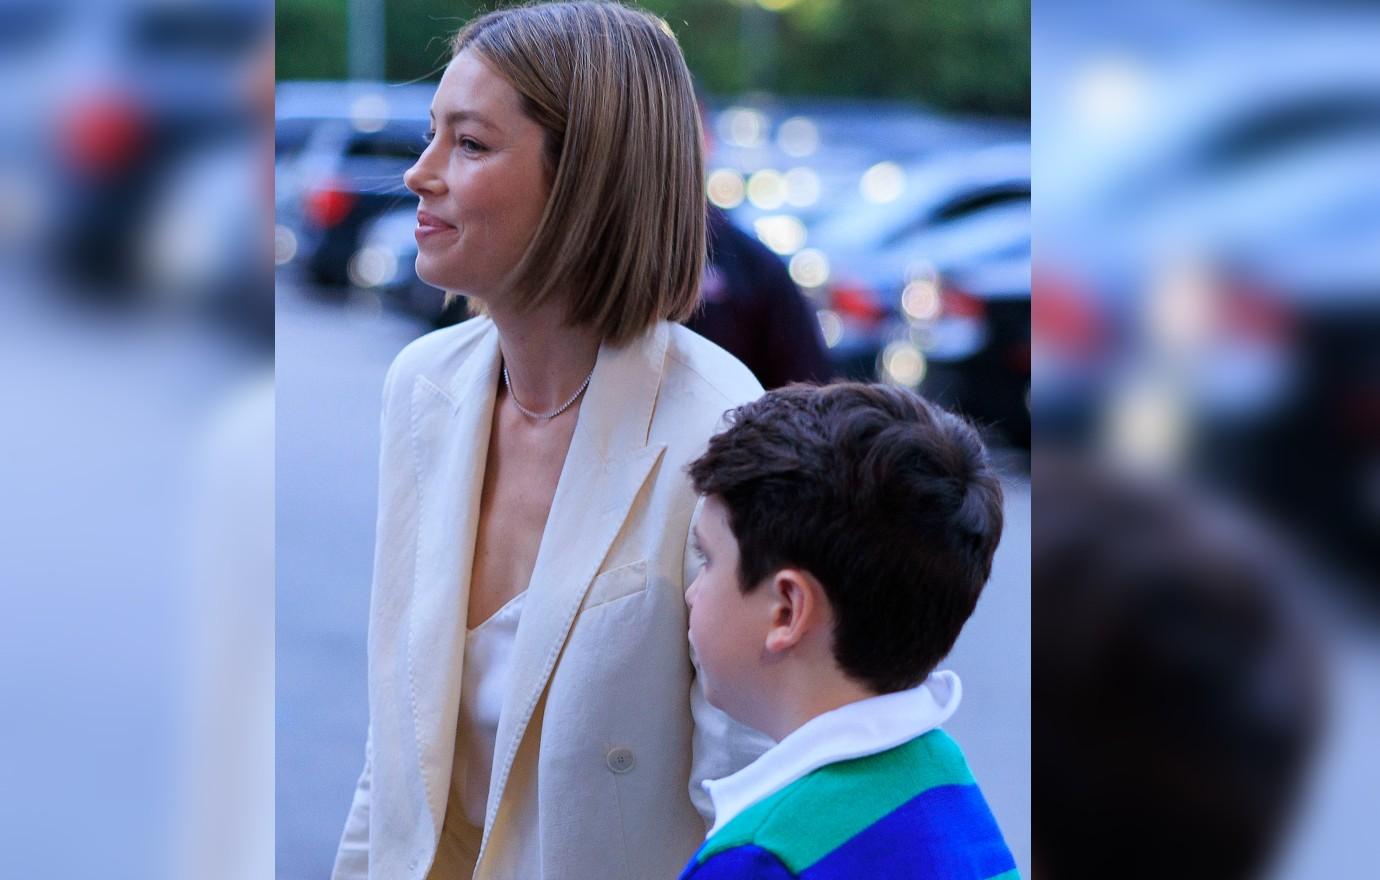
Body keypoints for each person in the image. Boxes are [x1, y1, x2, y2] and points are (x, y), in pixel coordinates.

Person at [330, 4, 770, 879]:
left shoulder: (721, 426)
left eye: (470, 144)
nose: (418, 174)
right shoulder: (423, 387)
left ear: (587, 179)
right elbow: (397, 764)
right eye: (431, 136)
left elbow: (748, 796)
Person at [680, 383, 1016, 879]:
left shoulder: (760, 861)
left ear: (787, 611)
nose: (691, 592)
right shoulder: (943, 779)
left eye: (706, 559)